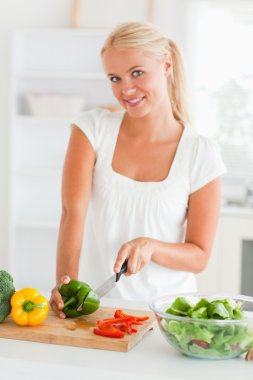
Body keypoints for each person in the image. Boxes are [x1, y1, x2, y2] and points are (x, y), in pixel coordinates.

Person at [50, 22, 226, 318]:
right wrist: (65, 287)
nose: (126, 89)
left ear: (166, 65)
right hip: (96, 312)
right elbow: (72, 213)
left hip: (167, 317)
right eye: (115, 78)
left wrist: (151, 246)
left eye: (137, 73)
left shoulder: (200, 152)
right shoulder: (91, 129)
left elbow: (199, 256)